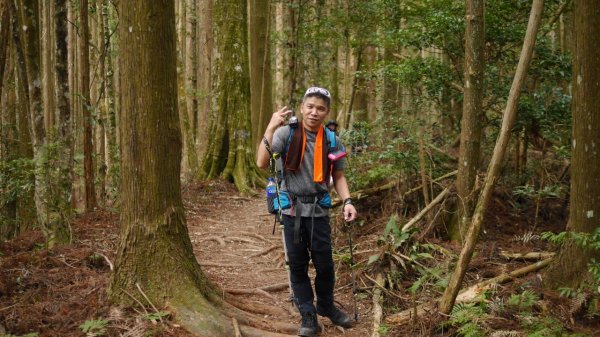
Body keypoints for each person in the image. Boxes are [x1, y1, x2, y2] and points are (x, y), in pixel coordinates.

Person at [257, 87, 358, 337]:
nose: (314, 112)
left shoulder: (332, 140)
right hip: (291, 209)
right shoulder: (285, 134)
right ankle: (308, 314)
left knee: (325, 264)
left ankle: (325, 305)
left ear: (327, 112)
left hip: (319, 209)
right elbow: (261, 162)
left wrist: (347, 201)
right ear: (302, 108)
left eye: (320, 108)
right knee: (298, 265)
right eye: (310, 106)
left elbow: (338, 176)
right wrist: (270, 126)